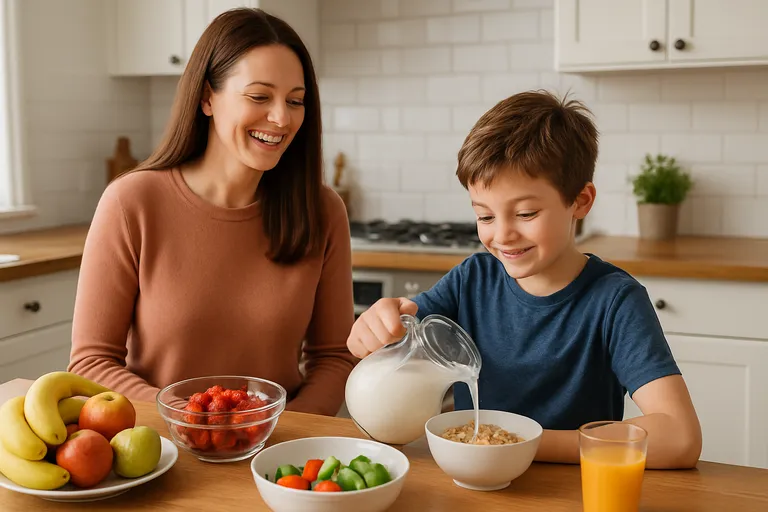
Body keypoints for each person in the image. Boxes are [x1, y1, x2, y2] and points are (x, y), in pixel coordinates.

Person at [346, 91, 702, 468]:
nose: (502, 235)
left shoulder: (615, 301)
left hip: (570, 492)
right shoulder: (472, 279)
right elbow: (402, 328)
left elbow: (679, 437)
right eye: (485, 216)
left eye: (526, 213)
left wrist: (521, 443)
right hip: (470, 486)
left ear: (580, 201)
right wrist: (375, 325)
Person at [68, 8, 356, 417]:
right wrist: (195, 421)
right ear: (206, 97)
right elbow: (91, 363)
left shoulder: (323, 211)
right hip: (159, 448)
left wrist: (280, 433)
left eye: (295, 101)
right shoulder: (131, 202)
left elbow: (334, 357)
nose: (281, 118)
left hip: (276, 457)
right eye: (259, 96)